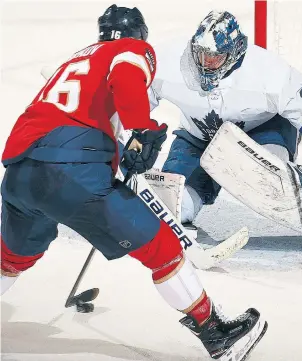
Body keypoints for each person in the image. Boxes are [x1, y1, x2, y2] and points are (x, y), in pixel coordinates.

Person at [0, 5, 267, 360]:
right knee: (163, 247)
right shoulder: (131, 50)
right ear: (140, 34)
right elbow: (126, 75)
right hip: (72, 171)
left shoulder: (76, 60)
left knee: (12, 256)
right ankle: (217, 334)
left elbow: (73, 111)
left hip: (20, 171)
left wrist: (117, 147)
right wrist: (140, 128)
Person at [148, 10, 302, 262]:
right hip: (197, 138)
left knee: (266, 178)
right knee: (170, 205)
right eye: (201, 55)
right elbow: (135, 95)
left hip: (264, 132)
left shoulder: (267, 71)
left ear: (235, 52)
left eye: (215, 57)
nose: (205, 63)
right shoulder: (171, 61)